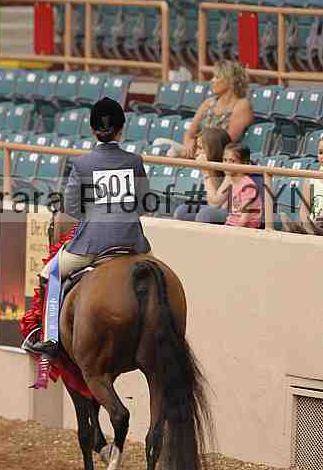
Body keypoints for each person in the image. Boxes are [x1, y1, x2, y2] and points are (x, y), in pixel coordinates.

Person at [25, 96, 151, 364]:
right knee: (156, 279)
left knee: (50, 273)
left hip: (93, 244)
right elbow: (143, 204)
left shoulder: (83, 164)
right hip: (132, 242)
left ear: (93, 130)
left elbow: (72, 207)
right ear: (121, 129)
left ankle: (49, 338)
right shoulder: (135, 161)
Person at [170, 61, 254, 159]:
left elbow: (227, 141)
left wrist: (200, 148)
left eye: (217, 77)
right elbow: (189, 133)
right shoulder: (209, 102)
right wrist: (189, 143)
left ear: (230, 82)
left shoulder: (242, 105)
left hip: (218, 155)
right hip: (197, 150)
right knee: (161, 145)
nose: (212, 80)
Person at [173, 127, 232, 223]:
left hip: (235, 214)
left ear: (214, 150)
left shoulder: (231, 168)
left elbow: (215, 203)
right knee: (182, 211)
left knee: (205, 214)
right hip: (218, 208)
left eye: (200, 148)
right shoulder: (212, 167)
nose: (196, 153)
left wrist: (206, 173)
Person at [201, 142, 262, 229]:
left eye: (232, 161)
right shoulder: (232, 181)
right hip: (232, 223)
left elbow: (246, 217)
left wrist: (233, 230)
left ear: (245, 164)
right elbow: (221, 204)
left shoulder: (248, 186)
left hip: (246, 228)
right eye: (225, 160)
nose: (227, 164)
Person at [280, 135, 323, 237]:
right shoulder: (311, 179)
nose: (322, 156)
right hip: (315, 223)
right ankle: (304, 228)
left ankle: (300, 228)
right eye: (321, 152)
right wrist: (306, 224)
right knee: (305, 222)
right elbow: (304, 208)